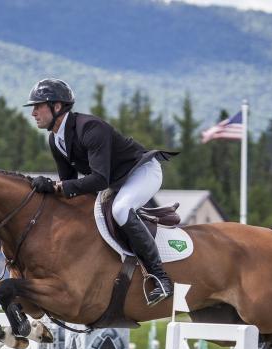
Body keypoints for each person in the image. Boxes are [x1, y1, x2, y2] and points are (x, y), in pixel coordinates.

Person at [24, 78, 176, 306]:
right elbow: (69, 184)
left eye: (38, 106)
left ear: (57, 107)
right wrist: (52, 188)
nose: (33, 112)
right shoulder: (55, 140)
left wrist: (57, 187)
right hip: (116, 181)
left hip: (141, 172)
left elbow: (98, 179)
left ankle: (161, 279)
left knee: (121, 209)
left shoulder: (90, 128)